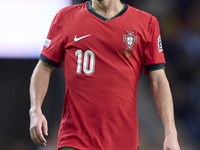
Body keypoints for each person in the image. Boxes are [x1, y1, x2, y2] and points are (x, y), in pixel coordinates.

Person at [29, 0, 181, 150]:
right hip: (75, 139)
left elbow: (159, 81)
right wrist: (35, 110)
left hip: (123, 142)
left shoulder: (146, 22)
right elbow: (43, 67)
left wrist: (171, 133)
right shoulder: (66, 17)